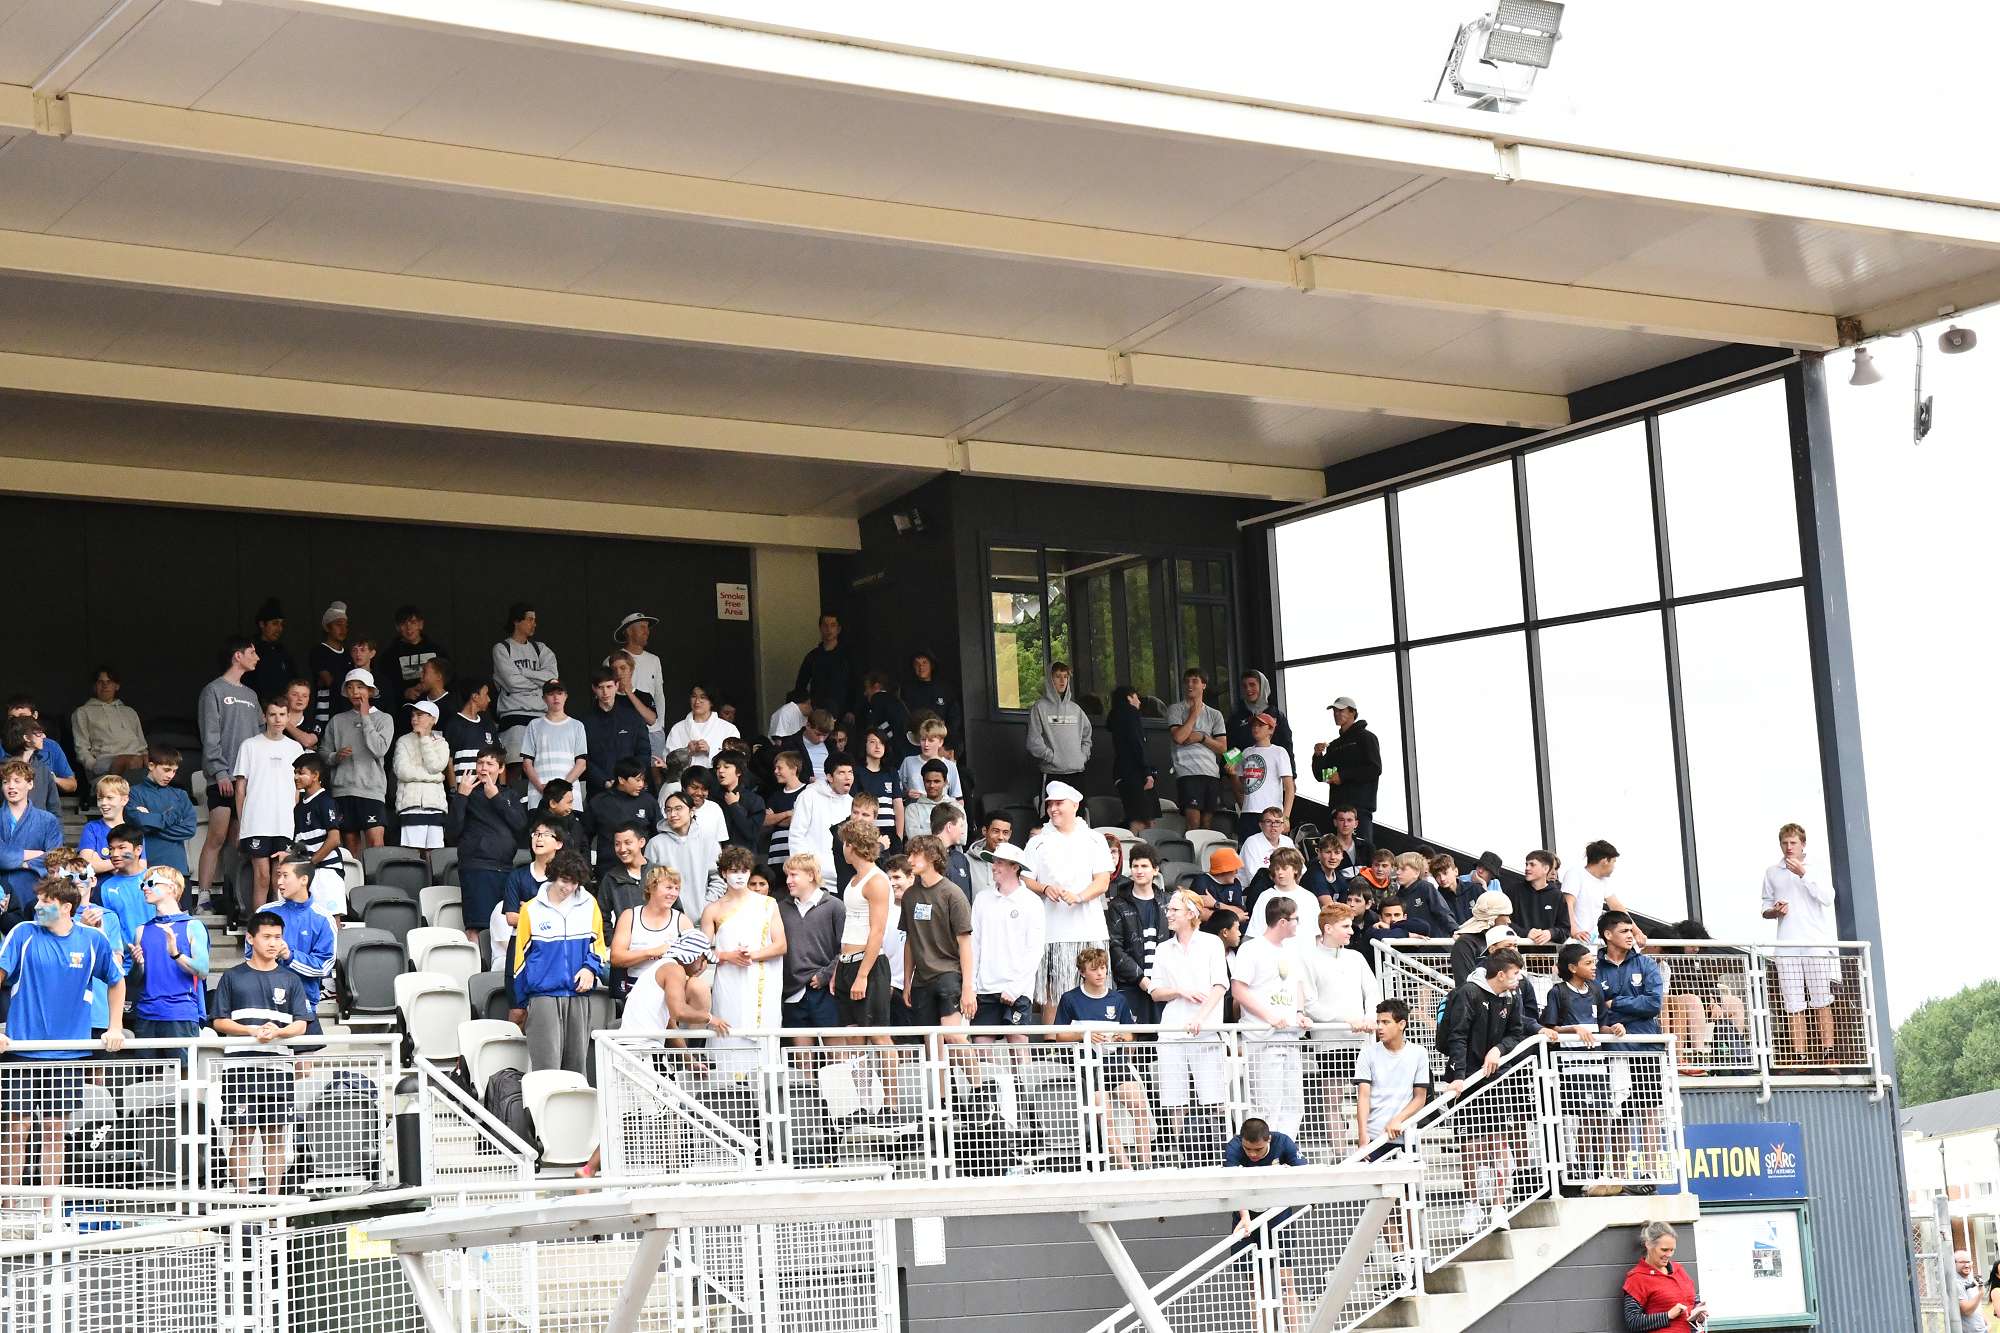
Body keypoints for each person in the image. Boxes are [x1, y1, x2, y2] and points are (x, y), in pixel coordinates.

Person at [0, 874, 127, 1188]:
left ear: (67, 907)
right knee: (16, 1130)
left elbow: (117, 981)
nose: (37, 906)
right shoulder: (22, 933)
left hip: (68, 1055)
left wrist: (115, 1026)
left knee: (55, 1131)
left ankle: (50, 1208)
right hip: (21, 1051)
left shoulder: (93, 939)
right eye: (38, 900)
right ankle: (9, 1205)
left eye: (46, 901)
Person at [209, 909, 308, 1193]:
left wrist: (278, 1032)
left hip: (278, 1070)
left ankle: (273, 1203)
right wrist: (252, 1031)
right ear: (251, 939)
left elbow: (301, 1025)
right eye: (267, 936)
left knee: (276, 1138)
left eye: (278, 937)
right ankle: (242, 1201)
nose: (273, 942)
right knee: (242, 1137)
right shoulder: (232, 977)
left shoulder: (291, 979)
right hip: (240, 1070)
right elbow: (219, 1021)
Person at [1440, 945, 1534, 1233]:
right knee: (1470, 1146)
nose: (1519, 978)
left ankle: (1497, 1206)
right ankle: (1473, 1205)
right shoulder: (1469, 993)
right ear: (1501, 974)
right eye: (1515, 973)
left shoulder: (1513, 996)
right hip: (1467, 1076)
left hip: (1497, 1076)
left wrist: (1498, 1049)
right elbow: (1456, 1036)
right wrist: (1458, 1075)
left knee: (1498, 1142)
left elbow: (1516, 1032)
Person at [508, 849, 608, 1076]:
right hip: (542, 996)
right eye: (564, 880)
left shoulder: (589, 904)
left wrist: (590, 969)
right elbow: (520, 960)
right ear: (553, 875)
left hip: (578, 995)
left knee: (576, 1071)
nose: (568, 887)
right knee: (546, 1071)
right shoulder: (531, 909)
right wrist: (522, 1003)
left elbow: (599, 946)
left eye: (574, 882)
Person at [1052, 945, 1152, 1170]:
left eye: (1103, 968)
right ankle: (1127, 1168)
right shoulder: (1070, 999)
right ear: (1082, 972)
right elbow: (1060, 1036)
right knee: (1105, 1116)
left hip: (1115, 1063)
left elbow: (1130, 1034)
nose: (1100, 973)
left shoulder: (1118, 999)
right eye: (1094, 969)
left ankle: (1146, 1165)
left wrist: (1121, 1037)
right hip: (1088, 1066)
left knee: (1140, 1106)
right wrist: (1085, 1035)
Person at [1023, 781, 1114, 1024]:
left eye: (1058, 803)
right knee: (1053, 992)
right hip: (1052, 931)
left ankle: (1094, 1039)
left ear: (1074, 805)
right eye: (1050, 804)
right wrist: (1044, 888)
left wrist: (1080, 896)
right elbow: (1026, 879)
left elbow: (1103, 881)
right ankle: (1052, 1042)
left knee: (1093, 988)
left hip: (1089, 928)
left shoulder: (1095, 839)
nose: (1053, 809)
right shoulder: (1038, 841)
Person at [1542, 941, 1626, 1196]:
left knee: (1600, 1118)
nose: (1594, 967)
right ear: (1572, 967)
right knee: (1580, 1119)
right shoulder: (1558, 992)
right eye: (1588, 963)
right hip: (1570, 1064)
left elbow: (1601, 1024)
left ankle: (1598, 1172)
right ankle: (1581, 1174)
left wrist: (1614, 1028)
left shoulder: (1595, 990)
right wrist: (1574, 1029)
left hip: (1597, 1064)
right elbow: (1550, 1027)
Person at [701, 845, 787, 1073]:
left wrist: (752, 955)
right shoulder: (712, 910)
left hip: (763, 978)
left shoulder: (768, 904)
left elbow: (781, 945)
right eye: (733, 870)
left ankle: (764, 1089)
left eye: (743, 870)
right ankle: (729, 1086)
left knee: (764, 1033)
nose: (739, 876)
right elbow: (702, 952)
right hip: (729, 981)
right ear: (723, 873)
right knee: (730, 1030)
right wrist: (728, 956)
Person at [1233, 895, 1311, 1138]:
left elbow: (1297, 985)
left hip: (1290, 1035)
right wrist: (1268, 1016)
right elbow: (1238, 990)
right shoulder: (1252, 948)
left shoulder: (1292, 949)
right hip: (1262, 1036)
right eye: (1296, 919)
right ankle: (1266, 1152)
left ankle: (1285, 1148)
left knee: (1293, 1102)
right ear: (1283, 921)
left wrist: (1299, 1012)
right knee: (1266, 1103)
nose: (1298, 923)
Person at [1760, 822, 1838, 1065]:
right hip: (1786, 945)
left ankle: (1829, 1053)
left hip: (1815, 942)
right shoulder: (1772, 872)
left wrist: (1804, 874)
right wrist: (1774, 911)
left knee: (1821, 997)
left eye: (1793, 842)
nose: (1788, 847)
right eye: (1784, 843)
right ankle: (1799, 1056)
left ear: (1803, 844)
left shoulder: (1816, 868)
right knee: (1793, 1003)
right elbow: (1764, 907)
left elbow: (1828, 898)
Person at [1224, 1117, 1307, 1332]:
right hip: (1246, 1217)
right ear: (1241, 1141)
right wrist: (1244, 1216)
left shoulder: (1283, 1142)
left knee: (1286, 1281)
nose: (1253, 1154)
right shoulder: (1233, 1147)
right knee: (1255, 1287)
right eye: (1248, 1149)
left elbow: (1305, 1174)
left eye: (1258, 1150)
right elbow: (1232, 1185)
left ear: (1269, 1139)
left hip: (1277, 1213)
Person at [198, 635, 263, 908]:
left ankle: (235, 897)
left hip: (247, 779)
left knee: (239, 840)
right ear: (238, 655)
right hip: (223, 777)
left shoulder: (251, 695)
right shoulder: (213, 690)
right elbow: (210, 734)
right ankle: (203, 896)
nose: (257, 657)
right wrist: (220, 771)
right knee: (217, 836)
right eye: (252, 652)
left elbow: (261, 732)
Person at [446, 744, 526, 945]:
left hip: (505, 868)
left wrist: (496, 797)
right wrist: (461, 796)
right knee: (476, 926)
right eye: (480, 763)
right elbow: (452, 832)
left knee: (503, 925)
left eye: (490, 763)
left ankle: (497, 964)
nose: (483, 768)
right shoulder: (468, 792)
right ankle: (478, 963)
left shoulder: (510, 795)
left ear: (501, 768)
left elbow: (520, 826)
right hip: (476, 867)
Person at [126, 866, 209, 1047]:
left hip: (181, 1013)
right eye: (142, 885)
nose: (145, 888)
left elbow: (203, 970)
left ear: (171, 887)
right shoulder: (141, 930)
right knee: (148, 1067)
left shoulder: (192, 926)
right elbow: (134, 980)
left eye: (151, 883)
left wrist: (176, 954)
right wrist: (139, 964)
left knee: (183, 1065)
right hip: (147, 1014)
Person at [234, 697, 303, 912]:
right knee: (262, 876)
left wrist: (293, 819)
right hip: (256, 822)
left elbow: (298, 790)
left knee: (280, 878)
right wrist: (243, 823)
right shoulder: (249, 745)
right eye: (273, 714)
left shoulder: (295, 748)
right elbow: (240, 789)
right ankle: (258, 924)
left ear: (288, 717)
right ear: (264, 717)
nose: (277, 719)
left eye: (282, 714)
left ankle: (279, 924)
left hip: (284, 823)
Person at [970, 841, 1045, 1039]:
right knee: (981, 1050)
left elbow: (1034, 949)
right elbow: (974, 945)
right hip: (985, 989)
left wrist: (1015, 988)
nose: (994, 866)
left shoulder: (1032, 902)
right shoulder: (982, 898)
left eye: (1000, 862)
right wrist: (971, 986)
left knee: (1019, 1049)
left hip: (1018, 990)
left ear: (1015, 867)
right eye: (994, 862)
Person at [900, 834, 975, 1030]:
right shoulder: (909, 895)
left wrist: (968, 987)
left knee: (953, 1035)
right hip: (921, 979)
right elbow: (910, 941)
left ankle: (970, 1055)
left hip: (948, 974)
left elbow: (965, 944)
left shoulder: (953, 894)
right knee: (930, 1041)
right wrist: (907, 982)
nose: (909, 860)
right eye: (909, 854)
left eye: (915, 854)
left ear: (933, 856)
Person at [256, 853, 336, 1034]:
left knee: (307, 1052)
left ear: (303, 879)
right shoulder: (264, 912)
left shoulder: (324, 919)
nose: (279, 882)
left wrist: (289, 956)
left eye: (285, 876)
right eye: (278, 875)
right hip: (263, 1002)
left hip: (303, 1004)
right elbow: (249, 957)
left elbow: (324, 966)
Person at [320, 668, 392, 850]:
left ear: (370, 691)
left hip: (371, 790)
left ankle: (376, 873)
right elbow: (323, 752)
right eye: (350, 687)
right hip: (343, 790)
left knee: (376, 844)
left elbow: (379, 749)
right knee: (350, 845)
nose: (355, 692)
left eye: (360, 687)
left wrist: (365, 717)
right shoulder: (337, 720)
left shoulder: (384, 718)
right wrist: (336, 756)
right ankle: (354, 872)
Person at [779, 852, 845, 1035]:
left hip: (826, 990)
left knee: (835, 1048)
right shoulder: (780, 908)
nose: (788, 881)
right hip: (792, 992)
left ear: (810, 875)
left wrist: (825, 975)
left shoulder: (835, 906)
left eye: (793, 875)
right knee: (799, 1051)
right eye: (787, 875)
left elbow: (845, 948)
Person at [1355, 998, 1430, 1153]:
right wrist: (1362, 1135)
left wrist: (1398, 1119)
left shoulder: (1419, 1053)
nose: (1379, 1027)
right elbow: (1363, 1097)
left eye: (1386, 1022)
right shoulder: (1367, 1053)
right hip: (1374, 1138)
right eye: (1378, 1022)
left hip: (1405, 1136)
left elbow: (1420, 1098)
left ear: (1401, 1024)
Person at [492, 604, 559, 769]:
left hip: (541, 716)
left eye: (535, 620)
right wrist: (539, 682)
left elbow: (552, 679)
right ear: (516, 621)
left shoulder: (540, 648)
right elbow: (512, 683)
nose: (534, 624)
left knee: (545, 768)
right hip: (514, 717)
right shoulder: (502, 648)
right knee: (516, 767)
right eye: (530, 620)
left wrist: (524, 672)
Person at [1105, 842, 1166, 1022]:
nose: (1139, 871)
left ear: (1155, 870)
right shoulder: (1117, 905)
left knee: (1163, 1036)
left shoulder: (1167, 902)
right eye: (1135, 866)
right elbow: (1115, 947)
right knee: (1130, 1036)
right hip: (1130, 986)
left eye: (1144, 866)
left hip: (1163, 984)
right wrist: (1142, 980)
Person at [1310, 696, 1382, 844]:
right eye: (1335, 711)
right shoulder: (1334, 745)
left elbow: (1374, 768)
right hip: (1337, 809)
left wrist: (1343, 776)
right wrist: (1317, 756)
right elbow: (1321, 775)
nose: (1337, 714)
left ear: (1352, 712)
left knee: (1362, 849)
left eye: (1341, 710)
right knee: (1335, 851)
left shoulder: (1366, 737)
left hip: (1360, 807)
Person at [1164, 668, 1228, 831]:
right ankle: (1191, 848)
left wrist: (1201, 737)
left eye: (1195, 681)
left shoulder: (1215, 714)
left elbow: (1223, 747)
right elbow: (1179, 737)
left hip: (1211, 773)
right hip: (1188, 773)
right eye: (1187, 681)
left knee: (1207, 824)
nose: (1190, 685)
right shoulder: (1176, 709)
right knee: (1193, 823)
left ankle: (1204, 849)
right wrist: (1194, 713)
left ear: (1204, 685)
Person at [0, 759, 62, 927]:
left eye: (17, 781)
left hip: (35, 888)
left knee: (40, 934)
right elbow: (2, 857)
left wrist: (22, 863)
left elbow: (54, 857)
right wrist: (34, 854)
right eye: (6, 782)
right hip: (1, 889)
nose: (11, 786)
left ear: (30, 784)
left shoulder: (48, 820)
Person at [126, 745, 197, 879]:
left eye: (174, 771)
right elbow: (139, 823)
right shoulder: (133, 793)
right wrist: (170, 818)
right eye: (166, 770)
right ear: (151, 765)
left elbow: (190, 829)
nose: (170, 775)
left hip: (177, 868)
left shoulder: (180, 795)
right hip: (145, 867)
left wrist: (150, 823)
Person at [290, 754, 346, 921]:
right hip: (308, 872)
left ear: (315, 776)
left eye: (301, 773)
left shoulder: (325, 801)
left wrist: (311, 862)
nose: (296, 777)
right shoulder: (298, 808)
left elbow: (334, 839)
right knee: (307, 921)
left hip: (327, 871)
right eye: (295, 773)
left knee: (331, 922)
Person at [1622, 1221, 1706, 1332]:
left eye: (1672, 1250)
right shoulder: (1637, 1278)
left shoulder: (1678, 1270)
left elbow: (1693, 1300)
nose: (1669, 1255)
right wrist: (1667, 1315)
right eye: (1664, 1250)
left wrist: (1698, 1313)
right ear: (1648, 1244)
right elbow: (1633, 1322)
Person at [788, 753, 856, 887]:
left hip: (844, 879)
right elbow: (796, 835)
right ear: (829, 777)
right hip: (814, 878)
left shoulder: (852, 803)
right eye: (841, 773)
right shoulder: (808, 796)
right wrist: (802, 872)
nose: (848, 777)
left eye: (850, 772)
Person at [391, 699, 451, 849]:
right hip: (410, 805)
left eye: (419, 715)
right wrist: (436, 777)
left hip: (435, 805)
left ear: (433, 719)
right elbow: (402, 771)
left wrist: (424, 739)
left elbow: (435, 766)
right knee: (412, 852)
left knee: (435, 853)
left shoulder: (441, 742)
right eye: (413, 715)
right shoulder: (403, 740)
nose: (414, 719)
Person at [1025, 662, 1091, 797]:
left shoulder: (1076, 710)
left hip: (1077, 774)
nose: (1062, 680)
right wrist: (1052, 757)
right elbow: (1033, 741)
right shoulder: (1040, 708)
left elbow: (1087, 736)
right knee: (1052, 810)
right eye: (1057, 676)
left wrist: (1082, 756)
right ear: (1050, 680)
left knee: (1078, 810)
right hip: (1052, 774)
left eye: (1065, 676)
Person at [578, 669, 647, 797]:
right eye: (601, 687)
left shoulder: (632, 717)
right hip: (598, 792)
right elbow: (583, 759)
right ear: (594, 688)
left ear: (617, 685)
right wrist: (604, 781)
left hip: (630, 789)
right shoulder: (584, 722)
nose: (605, 692)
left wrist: (631, 779)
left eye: (609, 686)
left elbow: (644, 752)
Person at [71, 666, 149, 779]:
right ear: (94, 686)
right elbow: (81, 748)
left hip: (136, 758)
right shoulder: (82, 712)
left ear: (117, 686)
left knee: (161, 760)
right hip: (106, 761)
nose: (105, 685)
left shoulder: (130, 712)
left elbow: (142, 745)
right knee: (131, 761)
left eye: (109, 682)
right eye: (100, 682)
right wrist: (93, 766)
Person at [607, 613, 666, 758]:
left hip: (652, 729)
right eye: (642, 627)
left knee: (655, 769)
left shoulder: (654, 660)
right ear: (628, 631)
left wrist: (660, 724)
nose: (647, 631)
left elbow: (659, 694)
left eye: (647, 627)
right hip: (625, 731)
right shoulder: (612, 661)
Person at [1230, 713, 1294, 842]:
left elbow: (1289, 788)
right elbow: (1241, 789)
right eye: (1253, 725)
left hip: (1272, 813)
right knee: (1247, 849)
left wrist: (1286, 817)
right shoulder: (1245, 752)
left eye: (1260, 725)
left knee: (1272, 850)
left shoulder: (1279, 751)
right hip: (1248, 812)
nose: (1255, 728)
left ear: (1271, 729)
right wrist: (1233, 775)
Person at [1107, 685, 1159, 832]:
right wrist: (1147, 772)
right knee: (1142, 821)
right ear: (1129, 697)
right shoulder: (1130, 713)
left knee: (1141, 818)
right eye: (1136, 697)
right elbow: (1137, 744)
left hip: (1123, 773)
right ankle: (1136, 844)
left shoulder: (1116, 717)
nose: (1139, 702)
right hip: (1135, 774)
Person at [588, 759, 654, 869]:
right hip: (608, 867)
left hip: (642, 868)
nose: (641, 784)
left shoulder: (648, 801)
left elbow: (657, 833)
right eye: (637, 780)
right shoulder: (599, 802)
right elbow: (585, 836)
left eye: (643, 780)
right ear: (621, 780)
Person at [794, 612, 858, 722]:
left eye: (833, 625)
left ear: (838, 629)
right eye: (825, 625)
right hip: (818, 713)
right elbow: (800, 685)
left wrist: (852, 710)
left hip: (843, 713)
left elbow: (856, 683)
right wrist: (806, 705)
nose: (829, 629)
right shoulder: (812, 657)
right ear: (820, 628)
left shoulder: (848, 656)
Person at [1565, 840, 1629, 946]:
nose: (1614, 867)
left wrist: (1637, 932)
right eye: (1614, 862)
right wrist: (1574, 931)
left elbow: (1617, 907)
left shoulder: (1604, 881)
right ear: (1605, 861)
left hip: (1590, 941)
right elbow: (1568, 904)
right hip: (1574, 941)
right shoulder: (1575, 874)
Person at [665, 685, 740, 767]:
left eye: (703, 697)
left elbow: (736, 759)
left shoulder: (729, 729)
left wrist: (710, 751)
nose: (697, 701)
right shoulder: (678, 728)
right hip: (686, 775)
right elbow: (667, 759)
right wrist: (687, 751)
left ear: (711, 702)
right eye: (694, 696)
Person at [1304, 807, 1368, 902]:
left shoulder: (1339, 878)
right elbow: (1328, 905)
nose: (1333, 857)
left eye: (1337, 853)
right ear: (1318, 852)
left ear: (1342, 855)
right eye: (1328, 852)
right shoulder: (1315, 873)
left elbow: (1345, 903)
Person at [388, 605, 447, 706]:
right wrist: (404, 693)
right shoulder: (389, 656)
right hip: (405, 707)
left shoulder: (437, 651)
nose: (409, 628)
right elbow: (386, 686)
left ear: (421, 624)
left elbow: (449, 678)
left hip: (437, 705)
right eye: (403, 623)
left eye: (413, 622)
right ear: (397, 627)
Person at [443, 680, 498, 785]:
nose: (489, 699)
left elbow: (499, 757)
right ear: (475, 697)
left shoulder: (488, 724)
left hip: (487, 788)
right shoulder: (453, 724)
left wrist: (501, 787)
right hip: (463, 789)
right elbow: (448, 761)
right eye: (486, 694)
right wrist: (454, 790)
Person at [895, 717, 962, 803]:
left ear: (940, 742)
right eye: (923, 739)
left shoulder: (950, 766)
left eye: (931, 740)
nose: (926, 744)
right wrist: (906, 793)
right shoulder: (908, 762)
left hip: (940, 809)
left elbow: (958, 798)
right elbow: (896, 791)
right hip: (915, 809)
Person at [308, 602, 350, 735]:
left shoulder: (349, 654)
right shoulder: (319, 651)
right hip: (327, 712)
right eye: (338, 624)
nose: (343, 629)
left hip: (347, 709)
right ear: (327, 627)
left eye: (345, 626)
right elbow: (329, 681)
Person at [1509, 849, 1568, 945]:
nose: (1527, 868)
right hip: (1516, 950)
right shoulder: (1513, 891)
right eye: (1526, 864)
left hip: (1548, 952)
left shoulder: (1557, 895)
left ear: (1545, 869)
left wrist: (1550, 933)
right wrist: (1526, 933)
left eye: (1532, 865)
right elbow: (1503, 922)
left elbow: (1565, 929)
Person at [1392, 850, 1457, 936]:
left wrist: (1454, 931)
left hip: (1435, 941)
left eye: (1403, 869)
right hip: (1412, 942)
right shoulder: (1398, 896)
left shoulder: (1426, 888)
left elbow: (1442, 912)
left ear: (1416, 873)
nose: (1397, 872)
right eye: (1397, 869)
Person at [242, 598, 295, 702]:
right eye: (275, 623)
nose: (279, 629)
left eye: (281, 624)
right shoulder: (250, 649)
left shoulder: (282, 650)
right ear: (262, 624)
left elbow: (293, 679)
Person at [1954, 1250, 1987, 1333]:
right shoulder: (1956, 1283)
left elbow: (1977, 1307)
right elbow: (1966, 1311)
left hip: (1982, 1330)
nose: (1966, 1265)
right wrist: (1981, 1293)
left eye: (1968, 1262)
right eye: (1962, 1262)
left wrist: (1987, 1324)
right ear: (1954, 1263)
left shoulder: (1970, 1278)